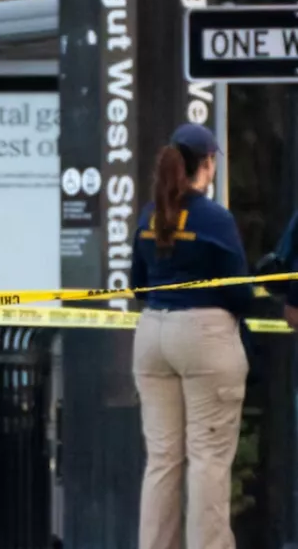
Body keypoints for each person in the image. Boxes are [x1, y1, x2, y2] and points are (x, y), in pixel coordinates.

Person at [130, 123, 253, 549]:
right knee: (208, 460)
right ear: (208, 163)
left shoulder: (150, 214)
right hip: (204, 338)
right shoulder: (216, 219)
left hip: (152, 336)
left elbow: (137, 284)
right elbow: (240, 294)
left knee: (162, 459)